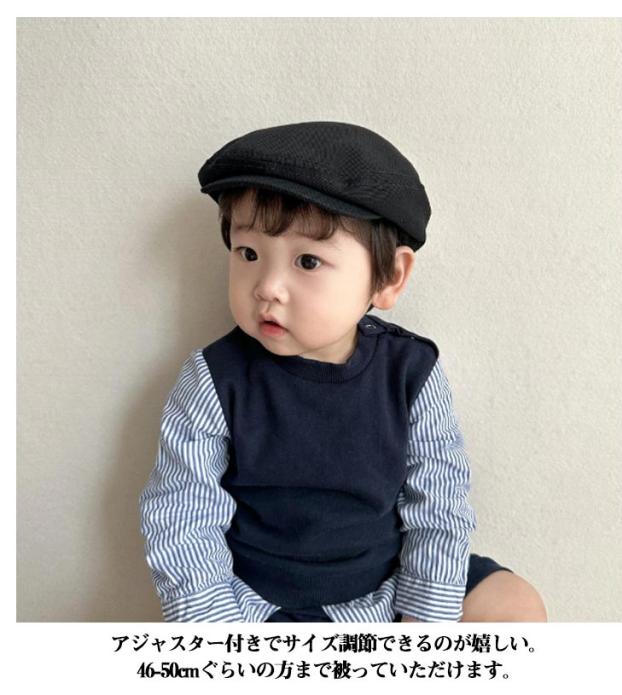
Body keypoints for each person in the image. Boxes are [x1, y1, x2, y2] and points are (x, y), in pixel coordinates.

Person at [139, 121, 547, 623]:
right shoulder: (214, 380)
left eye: (308, 261)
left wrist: (424, 622)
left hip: (394, 585)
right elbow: (182, 517)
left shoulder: (411, 373)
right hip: (269, 602)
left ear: (389, 277)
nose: (267, 286)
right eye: (249, 253)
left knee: (514, 604)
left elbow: (439, 501)